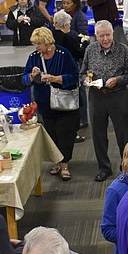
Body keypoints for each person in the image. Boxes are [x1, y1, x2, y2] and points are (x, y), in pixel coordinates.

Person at [22, 27, 80, 181]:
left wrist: (55, 79)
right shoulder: (34, 57)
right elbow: (24, 78)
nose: (37, 47)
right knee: (52, 134)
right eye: (35, 44)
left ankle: (64, 164)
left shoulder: (63, 54)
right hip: (45, 104)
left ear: (48, 42)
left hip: (64, 103)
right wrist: (32, 77)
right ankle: (57, 162)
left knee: (65, 134)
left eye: (39, 43)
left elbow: (74, 76)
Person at [82, 20, 128, 182]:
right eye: (101, 35)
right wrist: (85, 80)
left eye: (108, 35)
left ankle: (126, 168)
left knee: (124, 134)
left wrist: (118, 79)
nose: (105, 39)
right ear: (95, 36)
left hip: (118, 95)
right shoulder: (90, 50)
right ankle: (104, 168)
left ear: (112, 33)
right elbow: (83, 72)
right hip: (96, 96)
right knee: (98, 134)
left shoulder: (123, 50)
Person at [51, 10, 88, 140]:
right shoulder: (68, 38)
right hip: (69, 73)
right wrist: (85, 42)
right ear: (66, 25)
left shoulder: (50, 36)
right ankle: (73, 131)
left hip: (54, 72)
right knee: (73, 101)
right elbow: (80, 53)